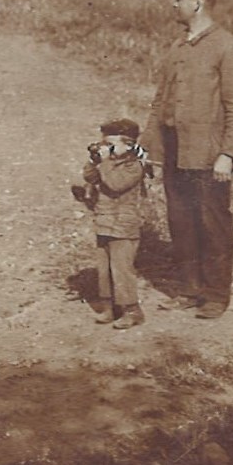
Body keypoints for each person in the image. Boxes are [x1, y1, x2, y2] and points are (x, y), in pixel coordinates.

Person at [139, 0, 233, 320]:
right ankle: (190, 289)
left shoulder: (227, 48)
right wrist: (150, 147)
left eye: (178, 0)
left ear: (197, 2)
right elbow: (160, 102)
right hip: (176, 149)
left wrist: (229, 154)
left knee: (212, 222)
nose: (173, 5)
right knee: (181, 220)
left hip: (208, 154)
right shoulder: (178, 47)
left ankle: (216, 295)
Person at [71, 118, 149, 330]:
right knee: (104, 269)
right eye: (104, 144)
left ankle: (132, 310)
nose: (106, 149)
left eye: (111, 145)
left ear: (129, 145)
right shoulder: (108, 163)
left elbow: (116, 184)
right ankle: (109, 306)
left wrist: (104, 163)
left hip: (123, 225)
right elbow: (89, 176)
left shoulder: (134, 166)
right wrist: (95, 161)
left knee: (121, 269)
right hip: (104, 222)